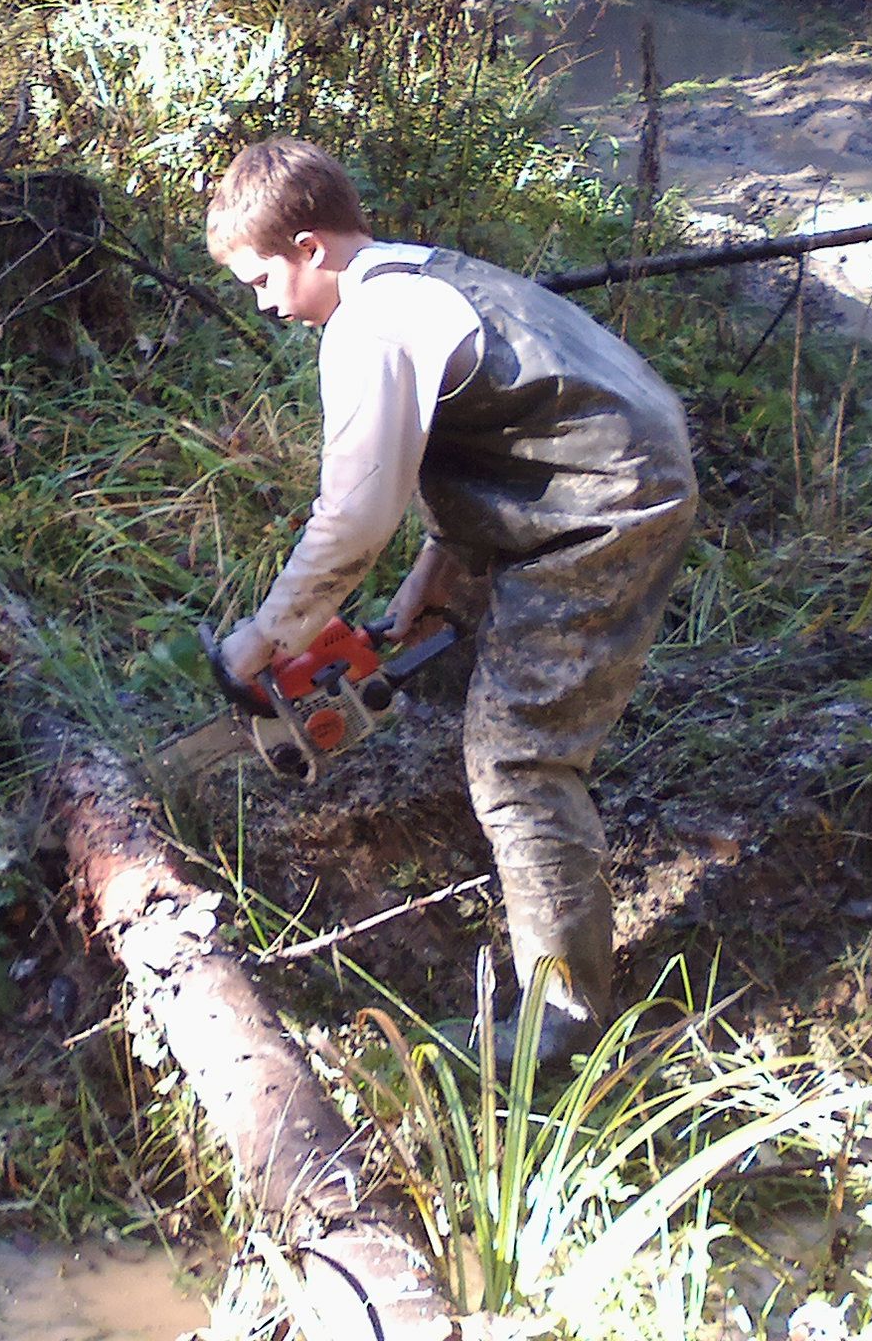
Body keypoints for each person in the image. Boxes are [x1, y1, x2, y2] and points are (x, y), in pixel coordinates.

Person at [204, 137, 697, 1054]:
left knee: (518, 760)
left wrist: (266, 639)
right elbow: (495, 436)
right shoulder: (419, 274)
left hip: (604, 505)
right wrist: (428, 586)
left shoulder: (371, 326)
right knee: (468, 680)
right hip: (604, 474)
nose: (267, 304)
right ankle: (506, 879)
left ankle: (562, 1024)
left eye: (265, 280)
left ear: (311, 247)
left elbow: (353, 519)